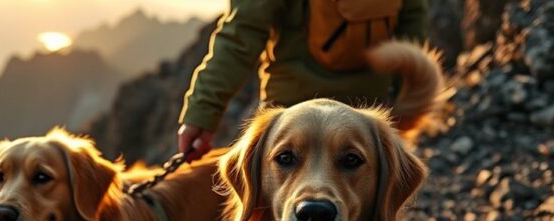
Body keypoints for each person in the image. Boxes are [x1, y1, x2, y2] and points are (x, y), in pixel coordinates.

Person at [178, 0, 428, 160]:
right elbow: (411, 26)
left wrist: (201, 116)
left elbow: (241, 36)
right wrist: (401, 94)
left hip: (291, 116)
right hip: (368, 116)